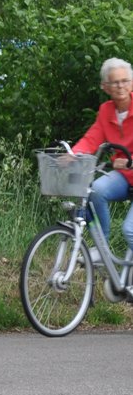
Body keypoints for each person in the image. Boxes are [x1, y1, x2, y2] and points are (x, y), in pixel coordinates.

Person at [72, 57, 133, 256]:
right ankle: (102, 249)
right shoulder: (106, 110)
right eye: (115, 82)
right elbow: (92, 137)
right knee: (95, 191)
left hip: (128, 168)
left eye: (125, 81)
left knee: (130, 230)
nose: (120, 86)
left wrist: (131, 161)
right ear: (105, 87)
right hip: (125, 176)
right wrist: (72, 155)